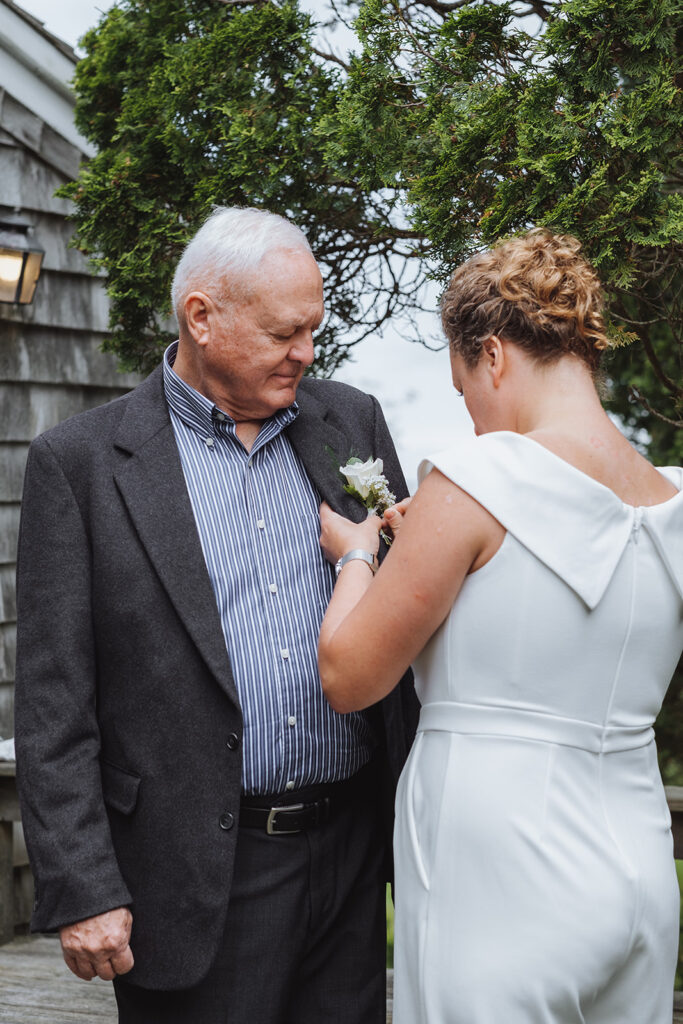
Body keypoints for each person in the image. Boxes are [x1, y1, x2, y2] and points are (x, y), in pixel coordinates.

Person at [14, 206, 418, 1024]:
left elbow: (401, 611)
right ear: (201, 317)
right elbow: (55, 704)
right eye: (283, 333)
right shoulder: (81, 466)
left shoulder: (351, 421)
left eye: (313, 330)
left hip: (349, 857)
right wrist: (83, 885)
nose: (305, 352)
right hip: (193, 870)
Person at [317, 228, 683, 1023]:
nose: (474, 419)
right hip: (641, 863)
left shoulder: (479, 476)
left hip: (500, 868)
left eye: (462, 391)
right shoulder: (668, 499)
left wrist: (357, 557)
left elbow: (349, 676)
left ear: (491, 356)